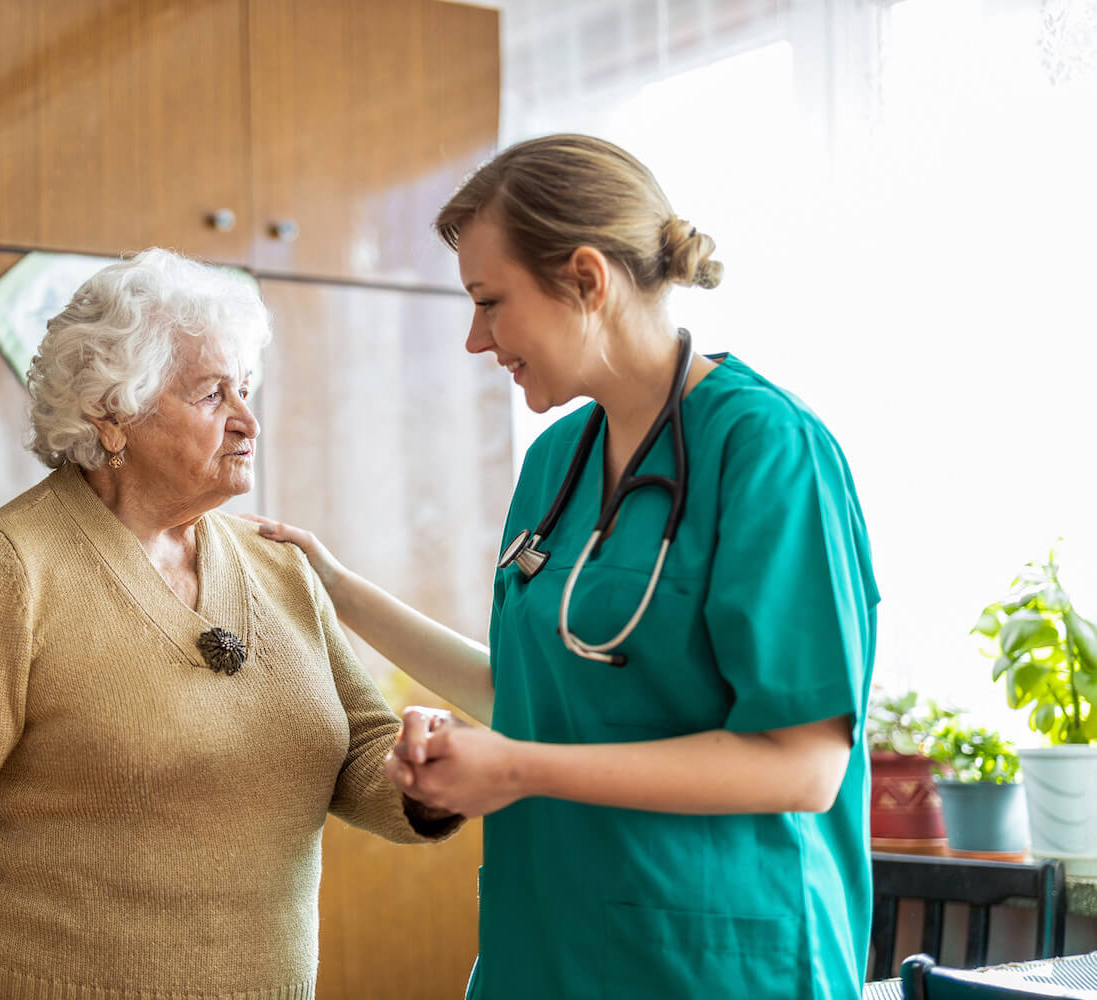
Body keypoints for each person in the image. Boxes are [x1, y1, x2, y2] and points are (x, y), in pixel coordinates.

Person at [251, 134, 878, 999]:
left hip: (714, 960)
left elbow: (802, 767)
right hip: (547, 949)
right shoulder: (556, 464)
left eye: (489, 302)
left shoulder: (769, 452)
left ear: (586, 278)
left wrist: (513, 768)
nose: (477, 339)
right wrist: (338, 589)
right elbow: (533, 697)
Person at [0, 249, 460, 1000]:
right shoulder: (8, 569)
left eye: (245, 388)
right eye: (211, 395)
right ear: (113, 414)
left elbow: (361, 748)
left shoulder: (278, 566)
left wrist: (424, 781)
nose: (248, 420)